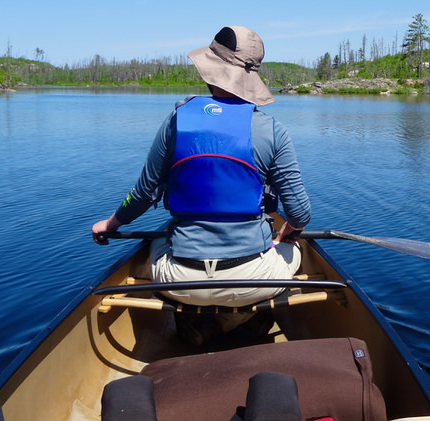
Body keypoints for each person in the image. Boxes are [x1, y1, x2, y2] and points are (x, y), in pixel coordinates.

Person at [91, 26, 311, 325]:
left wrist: (111, 223)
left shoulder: (177, 120)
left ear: (210, 71)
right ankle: (255, 321)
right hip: (253, 280)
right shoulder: (273, 130)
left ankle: (186, 327)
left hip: (181, 281)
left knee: (157, 243)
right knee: (294, 247)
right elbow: (300, 213)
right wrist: (289, 232)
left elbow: (143, 193)